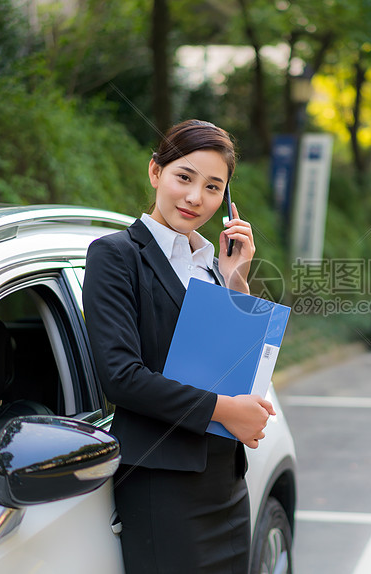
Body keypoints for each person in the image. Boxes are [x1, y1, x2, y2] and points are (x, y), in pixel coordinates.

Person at [82, 119, 275, 573]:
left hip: (225, 479)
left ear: (227, 200)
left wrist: (236, 279)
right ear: (155, 172)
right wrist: (227, 411)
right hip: (162, 482)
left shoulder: (213, 264)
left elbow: (236, 363)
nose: (194, 198)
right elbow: (122, 377)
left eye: (212, 187)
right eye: (183, 177)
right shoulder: (116, 255)